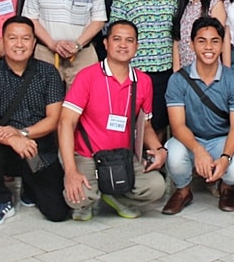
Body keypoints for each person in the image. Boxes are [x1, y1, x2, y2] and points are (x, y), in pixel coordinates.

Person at [58, 21, 168, 220]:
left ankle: (114, 197)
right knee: (78, 198)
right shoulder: (87, 76)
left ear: (136, 47)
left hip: (122, 157)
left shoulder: (143, 81)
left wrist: (159, 149)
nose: (123, 45)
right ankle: (98, 193)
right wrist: (71, 171)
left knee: (156, 187)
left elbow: (146, 126)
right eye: (117, 39)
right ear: (106, 44)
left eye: (129, 40)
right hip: (87, 154)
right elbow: (66, 122)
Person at [0, 16, 70, 225]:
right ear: (3, 41)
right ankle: (1, 199)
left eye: (25, 39)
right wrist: (13, 140)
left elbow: (53, 120)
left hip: (37, 148)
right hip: (3, 147)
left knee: (58, 212)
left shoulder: (48, 73)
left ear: (34, 42)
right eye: (12, 38)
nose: (19, 44)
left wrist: (22, 134)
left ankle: (30, 185)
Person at [162, 17, 234, 215]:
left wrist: (226, 157)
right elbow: (177, 126)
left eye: (215, 41)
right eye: (202, 41)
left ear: (222, 45)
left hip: (221, 139)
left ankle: (226, 186)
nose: (208, 47)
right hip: (190, 138)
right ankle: (183, 191)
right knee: (174, 156)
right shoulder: (178, 80)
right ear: (192, 44)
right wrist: (198, 150)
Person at [110, 0, 179, 133]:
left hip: (165, 67)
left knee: (158, 119)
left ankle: (155, 157)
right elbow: (115, 31)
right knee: (131, 117)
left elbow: (177, 31)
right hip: (134, 67)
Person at [173, 0, 228, 70]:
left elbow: (221, 39)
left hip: (209, 69)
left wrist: (227, 70)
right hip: (185, 70)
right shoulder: (184, 5)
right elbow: (177, 40)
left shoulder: (214, 3)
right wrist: (176, 70)